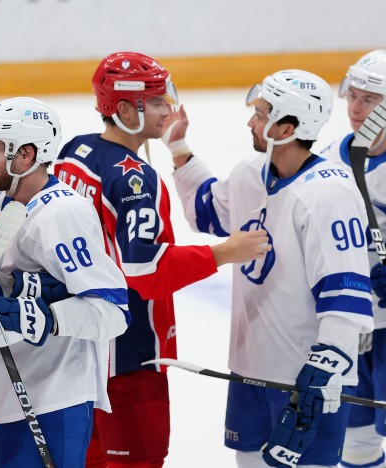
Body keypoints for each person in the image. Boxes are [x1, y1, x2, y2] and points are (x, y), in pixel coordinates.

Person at [53, 51, 271, 468]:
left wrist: (176, 146)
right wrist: (225, 252)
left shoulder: (74, 151)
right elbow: (145, 271)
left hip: (75, 349)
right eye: (155, 102)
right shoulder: (135, 179)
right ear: (123, 110)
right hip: (129, 353)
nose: (167, 109)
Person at [170, 69, 374, 467]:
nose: (251, 121)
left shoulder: (328, 194)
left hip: (305, 379)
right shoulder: (251, 171)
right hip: (249, 368)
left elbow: (346, 294)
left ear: (287, 128)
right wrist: (178, 145)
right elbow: (208, 212)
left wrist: (322, 372)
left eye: (261, 114)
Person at [0, 96, 130, 468]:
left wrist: (41, 318)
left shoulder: (62, 214)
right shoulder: (3, 200)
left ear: (26, 155)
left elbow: (113, 310)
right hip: (0, 397)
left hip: (50, 403)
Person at [318, 50, 386, 468]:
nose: (356, 108)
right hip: (351, 322)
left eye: (370, 99)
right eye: (353, 95)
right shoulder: (328, 158)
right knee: (357, 440)